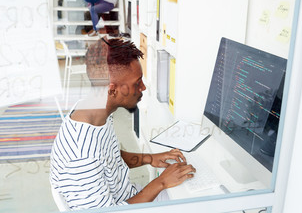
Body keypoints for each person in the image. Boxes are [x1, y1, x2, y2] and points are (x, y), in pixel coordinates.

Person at [49, 38, 196, 210]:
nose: (143, 88)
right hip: (122, 208)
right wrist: (161, 182)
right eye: (137, 83)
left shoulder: (92, 110)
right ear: (112, 90)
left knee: (195, 196)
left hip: (128, 197)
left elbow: (110, 157)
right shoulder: (81, 155)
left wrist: (150, 158)